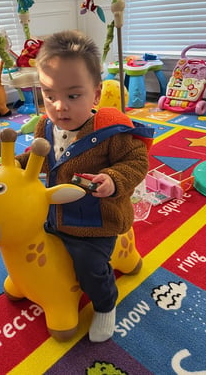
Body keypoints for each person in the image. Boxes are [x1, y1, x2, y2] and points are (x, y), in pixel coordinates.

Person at [16, 30, 153, 342]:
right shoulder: (43, 125)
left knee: (89, 266)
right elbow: (38, 158)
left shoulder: (110, 131)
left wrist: (113, 180)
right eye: (49, 95)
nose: (59, 106)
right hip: (51, 214)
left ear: (96, 92)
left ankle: (106, 304)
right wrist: (16, 166)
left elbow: (136, 161)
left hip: (94, 221)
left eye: (73, 96)